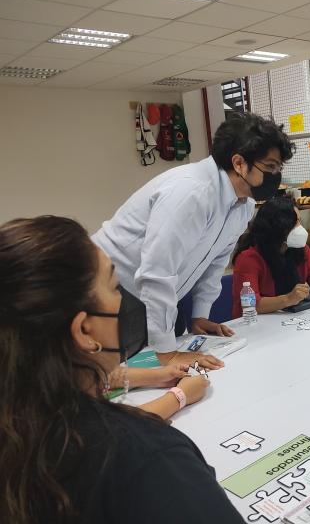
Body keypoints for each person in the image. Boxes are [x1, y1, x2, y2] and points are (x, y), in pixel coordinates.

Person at [0, 216, 243, 523]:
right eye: (115, 288)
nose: (125, 300)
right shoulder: (147, 460)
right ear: (85, 331)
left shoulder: (21, 423)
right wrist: (179, 396)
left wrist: (156, 375)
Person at [93, 113, 293, 369]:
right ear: (240, 163)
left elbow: (214, 262)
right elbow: (157, 273)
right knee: (117, 378)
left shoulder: (243, 204)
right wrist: (166, 354)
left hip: (155, 295)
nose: (276, 176)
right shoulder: (193, 192)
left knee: (165, 369)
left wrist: (200, 315)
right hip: (113, 289)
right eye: (270, 167)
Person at [231, 197, 310, 316]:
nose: (300, 228)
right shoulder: (248, 259)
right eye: (294, 223)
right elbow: (250, 304)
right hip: (258, 323)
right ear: (277, 228)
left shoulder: (300, 248)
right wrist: (287, 299)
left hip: (292, 315)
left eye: (299, 221)